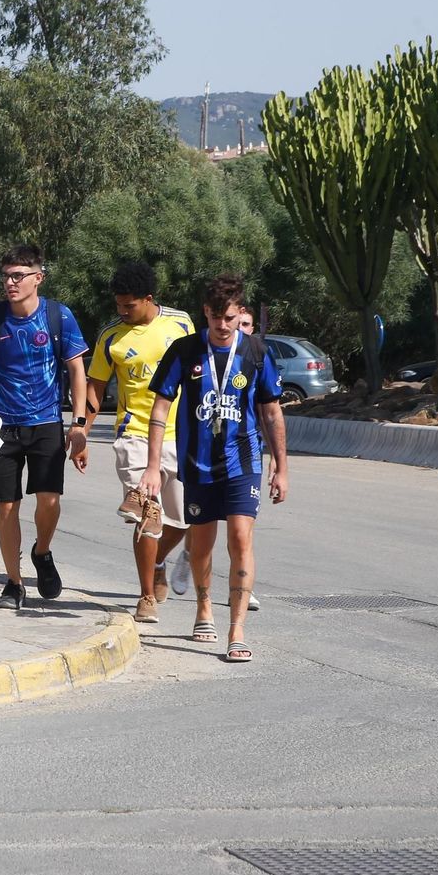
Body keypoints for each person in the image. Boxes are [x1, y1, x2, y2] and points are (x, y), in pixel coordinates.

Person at [143, 275, 287, 662]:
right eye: (214, 317)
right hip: (198, 464)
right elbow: (159, 408)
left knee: (240, 539)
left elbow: (271, 412)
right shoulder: (184, 350)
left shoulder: (256, 352)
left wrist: (281, 467)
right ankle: (203, 609)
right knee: (202, 543)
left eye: (229, 318)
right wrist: (153, 467)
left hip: (243, 462)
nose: (222, 326)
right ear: (204, 312)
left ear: (242, 312)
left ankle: (236, 630)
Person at [0, 244, 89, 610]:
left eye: (19, 276)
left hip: (46, 421)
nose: (10, 283)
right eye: (6, 276)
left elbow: (77, 369)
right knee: (6, 508)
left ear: (38, 278)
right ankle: (13, 584)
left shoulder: (58, 317)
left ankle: (42, 551)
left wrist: (79, 423)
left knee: (49, 501)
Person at [82, 262, 193, 625]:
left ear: (148, 299)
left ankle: (158, 561)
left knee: (182, 521)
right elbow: (95, 386)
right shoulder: (110, 337)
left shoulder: (181, 324)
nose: (122, 312)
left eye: (129, 306)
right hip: (135, 436)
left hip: (179, 434)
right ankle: (146, 595)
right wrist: (81, 429)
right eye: (118, 305)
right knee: (148, 514)